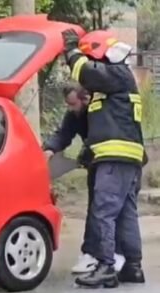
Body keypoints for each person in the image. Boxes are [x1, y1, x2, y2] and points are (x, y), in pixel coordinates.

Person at [62, 29, 146, 288]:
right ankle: (132, 267)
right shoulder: (114, 84)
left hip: (115, 158)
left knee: (103, 211)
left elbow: (86, 72)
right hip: (125, 158)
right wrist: (89, 150)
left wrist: (71, 50)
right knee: (125, 213)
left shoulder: (116, 74)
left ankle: (106, 266)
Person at [42, 82, 126, 274]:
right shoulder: (74, 115)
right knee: (96, 209)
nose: (71, 108)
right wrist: (50, 149)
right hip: (96, 162)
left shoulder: (100, 110)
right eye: (68, 104)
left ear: (85, 99)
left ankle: (115, 254)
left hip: (114, 161)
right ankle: (92, 253)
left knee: (111, 209)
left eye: (73, 104)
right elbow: (64, 134)